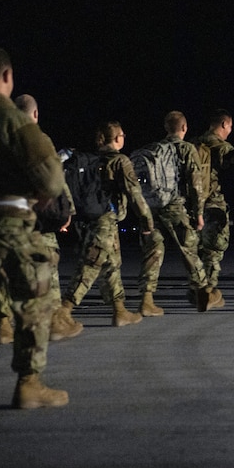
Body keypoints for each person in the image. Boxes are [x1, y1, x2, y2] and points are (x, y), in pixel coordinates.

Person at [0, 46, 68, 408]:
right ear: (6, 77)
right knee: (34, 296)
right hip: (7, 221)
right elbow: (50, 178)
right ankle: (29, 383)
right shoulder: (12, 119)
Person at [60, 122, 156, 328]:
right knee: (90, 266)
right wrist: (146, 220)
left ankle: (119, 310)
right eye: (122, 134)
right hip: (104, 220)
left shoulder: (93, 160)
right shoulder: (120, 161)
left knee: (112, 265)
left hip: (93, 220)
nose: (124, 137)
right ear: (117, 139)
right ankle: (63, 311)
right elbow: (134, 194)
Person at [137, 111, 217, 314]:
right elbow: (195, 182)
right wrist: (199, 212)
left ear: (166, 128)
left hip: (154, 206)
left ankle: (147, 299)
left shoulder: (155, 148)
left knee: (153, 251)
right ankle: (203, 292)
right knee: (188, 249)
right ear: (184, 128)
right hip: (176, 206)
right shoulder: (187, 148)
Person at [15, 94, 81, 340]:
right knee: (48, 266)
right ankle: (55, 322)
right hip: (38, 215)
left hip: (8, 215)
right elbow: (55, 178)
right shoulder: (39, 139)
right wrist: (68, 210)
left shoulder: (1, 138)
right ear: (35, 114)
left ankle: (0, 324)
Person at [190, 109, 234, 307]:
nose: (230, 130)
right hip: (214, 204)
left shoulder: (193, 144)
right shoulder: (223, 148)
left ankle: (197, 288)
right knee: (213, 250)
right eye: (230, 126)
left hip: (193, 205)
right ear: (224, 124)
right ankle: (208, 292)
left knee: (198, 250)